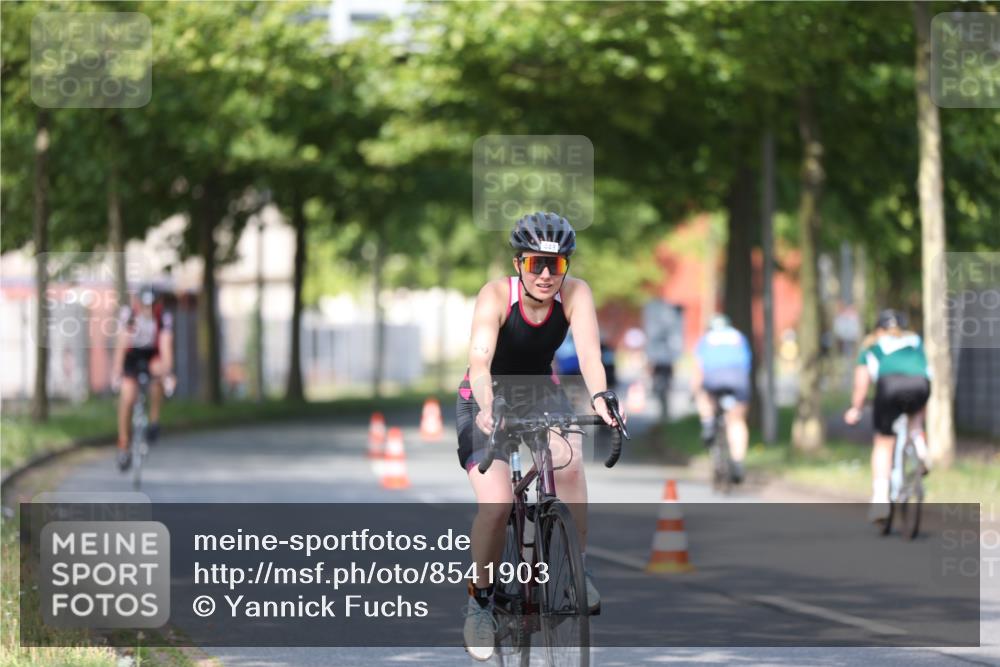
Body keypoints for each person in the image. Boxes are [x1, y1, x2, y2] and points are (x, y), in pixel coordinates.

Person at [455, 212, 619, 661]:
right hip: (485, 396)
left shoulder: (576, 293)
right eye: (535, 265)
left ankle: (574, 571)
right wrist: (488, 407)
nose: (546, 275)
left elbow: (588, 352)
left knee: (569, 463)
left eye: (556, 266)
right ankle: (481, 601)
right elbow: (480, 360)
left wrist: (601, 396)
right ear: (518, 265)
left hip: (538, 392)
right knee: (498, 503)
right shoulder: (495, 296)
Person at [843, 309, 930, 523]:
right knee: (915, 418)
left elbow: (861, 385)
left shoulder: (872, 345)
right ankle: (919, 442)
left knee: (883, 443)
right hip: (920, 385)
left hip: (890, 387)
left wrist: (856, 409)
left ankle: (880, 499)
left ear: (878, 328)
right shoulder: (915, 341)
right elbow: (926, 372)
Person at [111, 286, 175, 471]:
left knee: (158, 374)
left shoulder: (163, 318)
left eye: (152, 305)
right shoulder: (129, 314)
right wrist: (116, 371)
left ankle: (154, 421)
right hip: (132, 356)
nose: (148, 310)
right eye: (145, 305)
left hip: (151, 355)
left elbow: (166, 347)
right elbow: (121, 344)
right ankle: (123, 444)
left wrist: (167, 373)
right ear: (138, 303)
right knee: (128, 396)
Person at [691, 314, 752, 484]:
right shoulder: (739, 337)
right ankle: (738, 462)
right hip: (738, 379)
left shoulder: (706, 340)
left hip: (714, 378)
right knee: (737, 421)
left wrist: (695, 391)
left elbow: (698, 369)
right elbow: (747, 363)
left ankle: (708, 424)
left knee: (704, 396)